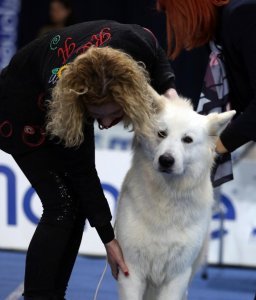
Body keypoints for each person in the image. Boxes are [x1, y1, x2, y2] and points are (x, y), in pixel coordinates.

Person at [0, 20, 176, 299]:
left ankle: (55, 292)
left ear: (128, 97)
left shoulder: (138, 42)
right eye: (97, 116)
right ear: (83, 106)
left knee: (75, 207)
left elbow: (157, 54)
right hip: (18, 109)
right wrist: (108, 238)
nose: (105, 124)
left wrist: (170, 92)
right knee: (62, 204)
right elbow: (84, 174)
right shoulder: (67, 100)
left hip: (55, 88)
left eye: (111, 112)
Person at [156, 0, 256, 299]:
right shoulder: (230, 25)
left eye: (169, 10)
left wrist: (213, 149)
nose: (170, 21)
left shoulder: (248, 14)